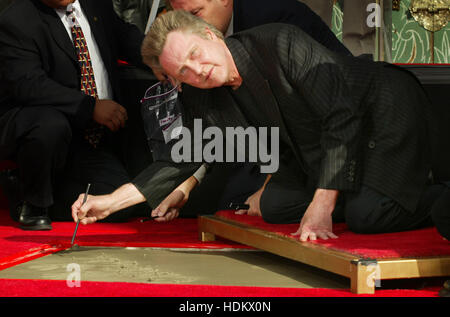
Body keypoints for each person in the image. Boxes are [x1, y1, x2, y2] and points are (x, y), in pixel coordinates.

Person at [72, 10, 450, 243]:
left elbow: (342, 112)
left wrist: (323, 202)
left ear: (210, 35)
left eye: (194, 55)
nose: (198, 72)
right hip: (321, 145)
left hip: (380, 110)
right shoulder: (201, 94)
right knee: (275, 204)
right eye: (182, 72)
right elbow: (183, 157)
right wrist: (109, 202)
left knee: (367, 216)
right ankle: (353, 189)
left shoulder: (278, 43)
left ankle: (438, 197)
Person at [0, 0, 149, 230]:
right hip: (43, 133)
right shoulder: (16, 19)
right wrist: (89, 107)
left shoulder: (95, 4)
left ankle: (32, 191)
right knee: (50, 125)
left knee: (120, 206)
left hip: (91, 140)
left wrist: (160, 57)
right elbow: (29, 85)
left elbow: (124, 37)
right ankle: (33, 201)